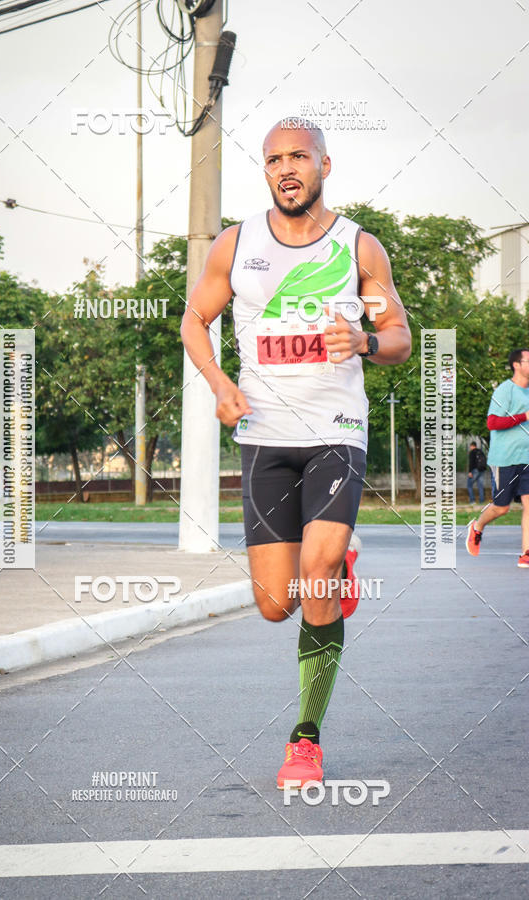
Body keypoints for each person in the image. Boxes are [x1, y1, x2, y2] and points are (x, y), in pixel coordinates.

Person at [181, 119, 411, 788]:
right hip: (263, 438)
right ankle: (333, 567)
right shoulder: (237, 243)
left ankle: (304, 738)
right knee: (275, 603)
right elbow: (195, 319)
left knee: (315, 574)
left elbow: (395, 332)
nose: (287, 168)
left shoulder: (359, 248)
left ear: (324, 165)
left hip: (336, 428)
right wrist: (221, 384)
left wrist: (363, 342)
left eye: (299, 157)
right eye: (275, 159)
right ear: (266, 171)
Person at [466, 348, 529, 567]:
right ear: (517, 365)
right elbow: (492, 423)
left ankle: (526, 553)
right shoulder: (505, 391)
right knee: (501, 507)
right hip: (505, 459)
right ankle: (477, 527)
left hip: (527, 458)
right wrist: (524, 416)